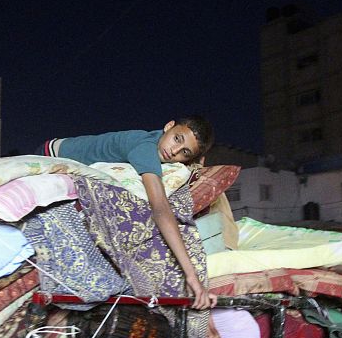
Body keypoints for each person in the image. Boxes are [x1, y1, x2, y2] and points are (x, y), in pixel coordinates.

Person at [38, 116, 217, 310]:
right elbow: (160, 208)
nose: (173, 152)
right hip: (51, 152)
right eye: (177, 139)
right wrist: (191, 275)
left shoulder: (159, 141)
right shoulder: (145, 148)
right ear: (169, 126)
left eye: (184, 152)